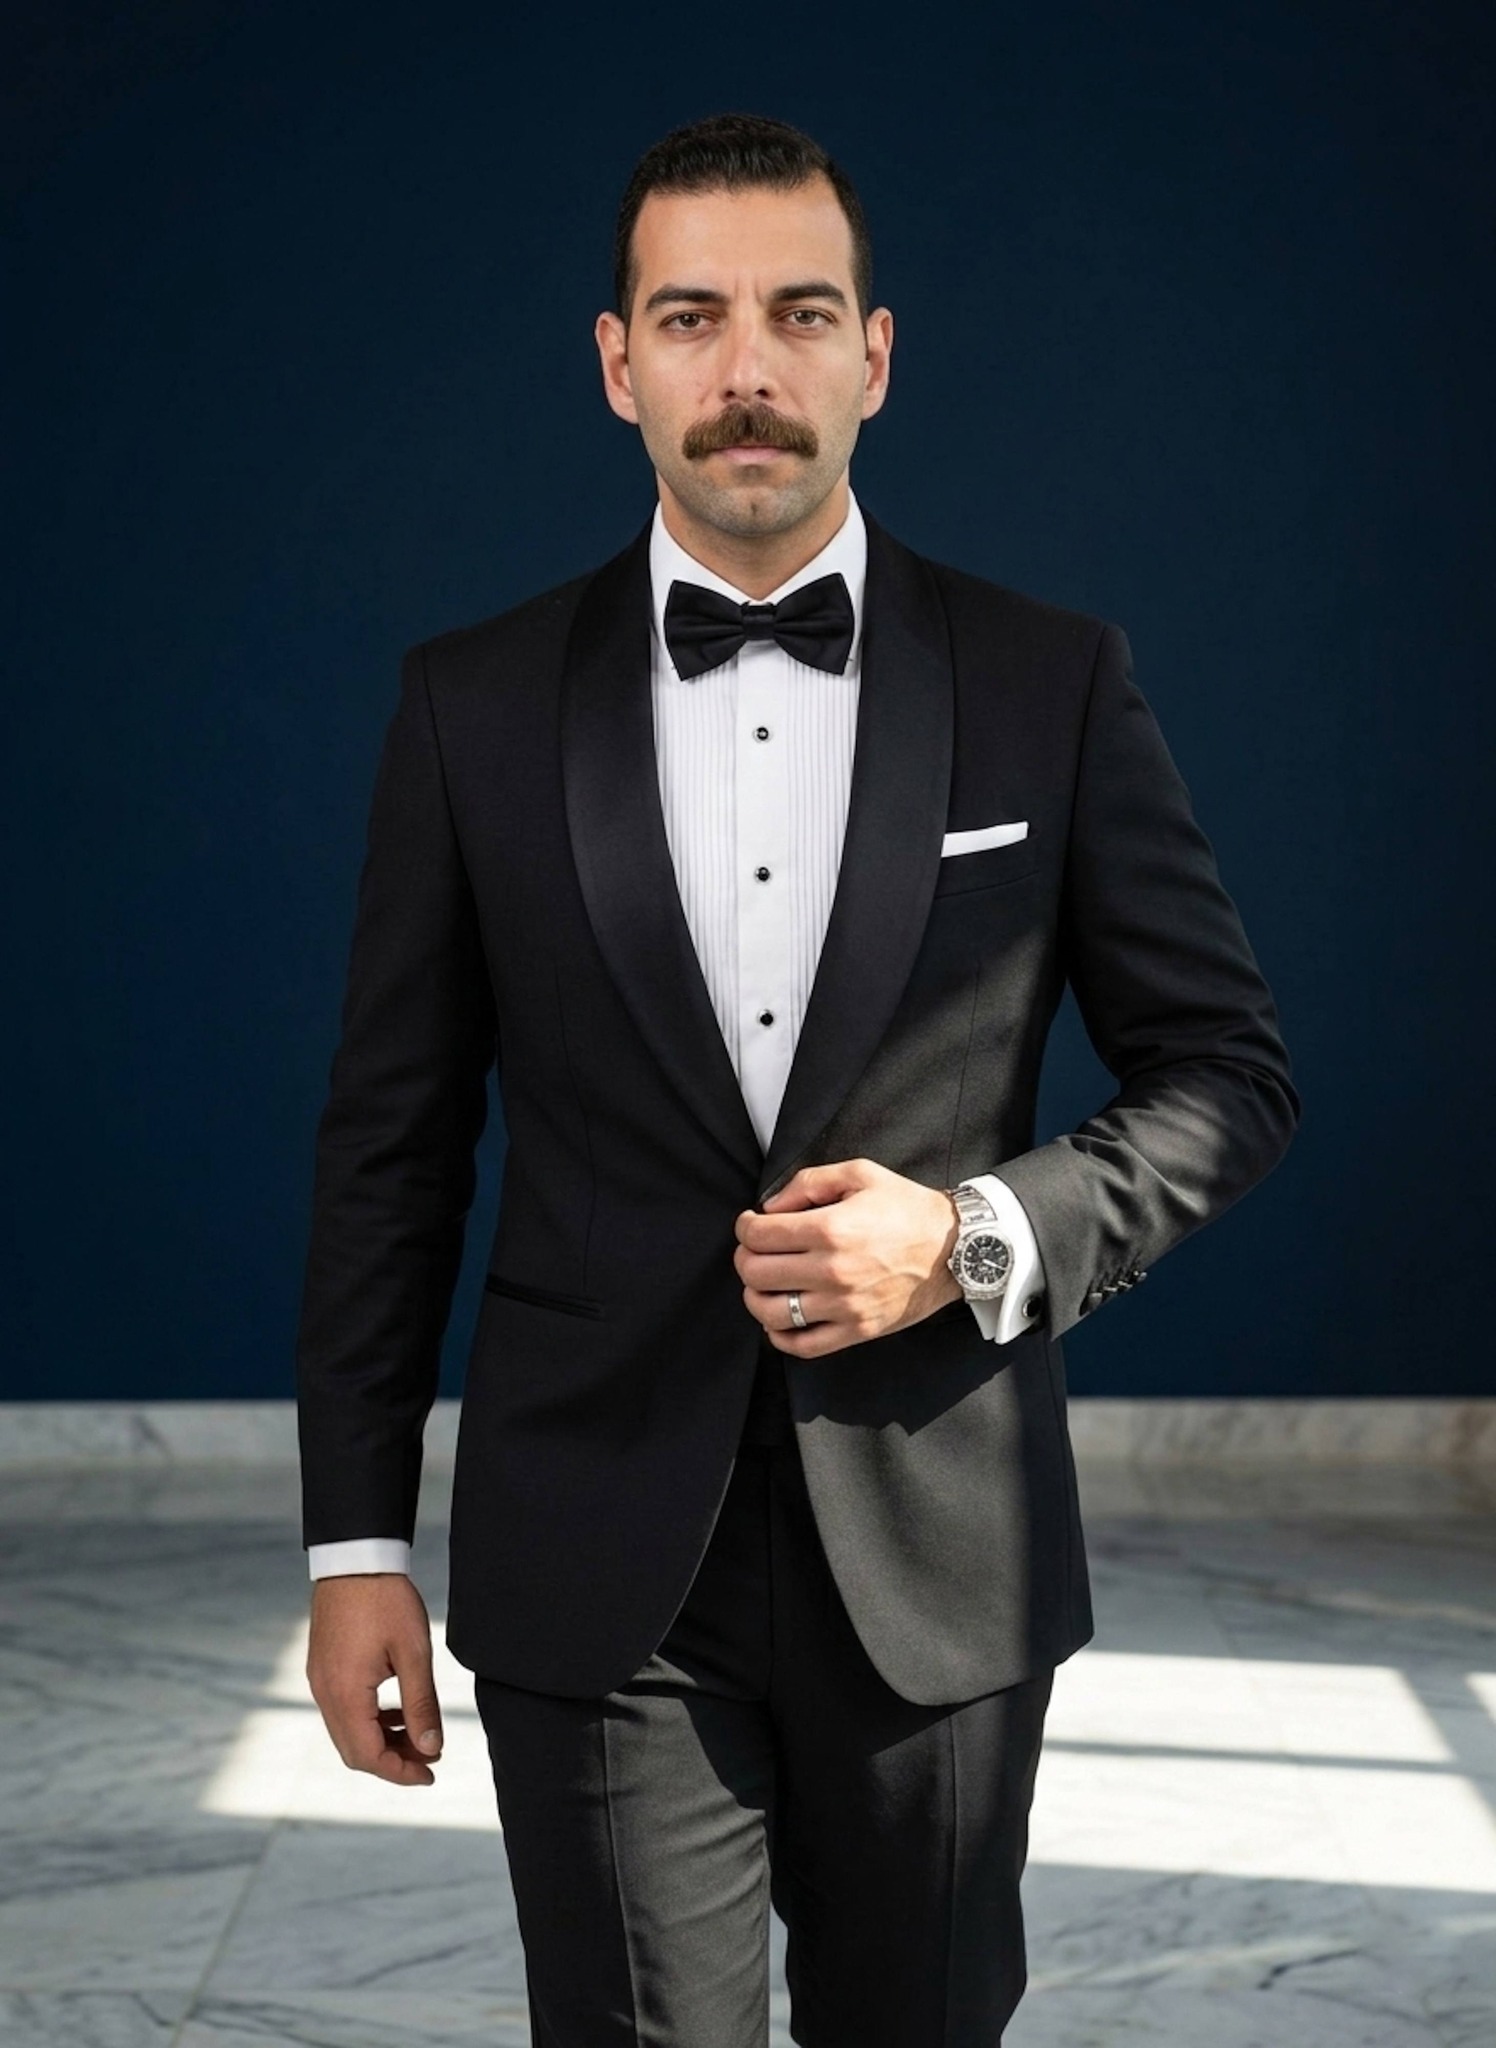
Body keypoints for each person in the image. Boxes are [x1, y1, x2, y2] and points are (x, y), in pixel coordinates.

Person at [295, 110, 1298, 2046]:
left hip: (943, 1554)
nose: (743, 368)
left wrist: (977, 1234)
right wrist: (354, 1548)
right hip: (591, 1554)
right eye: (689, 317)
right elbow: (389, 1150)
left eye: (795, 312)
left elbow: (1229, 1071)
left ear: (874, 354)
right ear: (617, 363)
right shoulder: (469, 706)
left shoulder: (1050, 678)